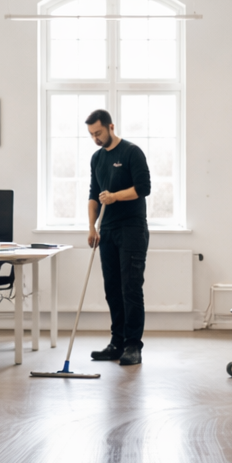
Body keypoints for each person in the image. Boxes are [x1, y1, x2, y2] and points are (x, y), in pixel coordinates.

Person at [84, 109, 152, 366]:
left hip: (132, 229)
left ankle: (133, 345)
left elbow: (143, 188)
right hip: (107, 230)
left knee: (130, 288)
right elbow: (93, 194)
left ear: (111, 127)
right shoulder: (97, 158)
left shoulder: (132, 152)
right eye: (91, 134)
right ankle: (117, 343)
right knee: (112, 288)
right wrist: (92, 227)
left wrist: (114, 197)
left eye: (99, 133)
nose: (96, 138)